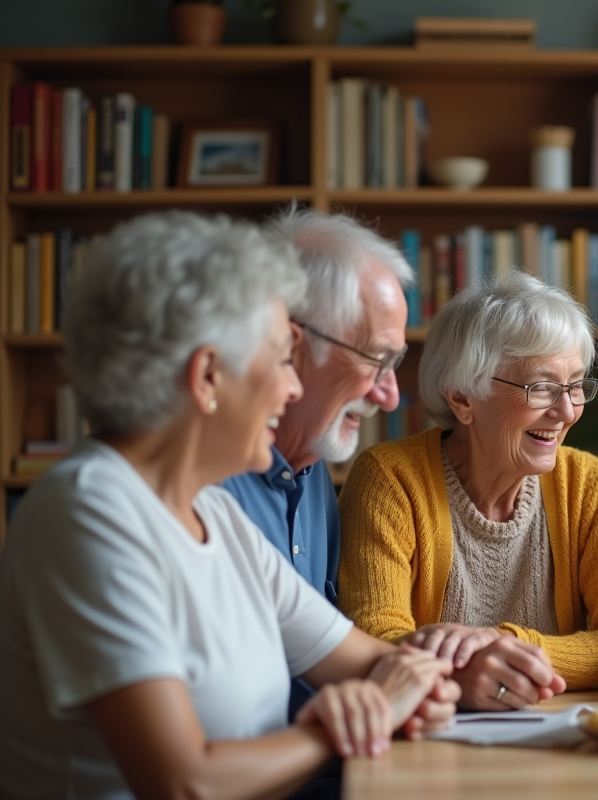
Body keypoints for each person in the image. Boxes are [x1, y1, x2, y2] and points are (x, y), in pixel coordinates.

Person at [0, 212, 459, 800]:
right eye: (277, 359)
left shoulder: (211, 517)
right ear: (208, 376)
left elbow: (371, 664)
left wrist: (422, 676)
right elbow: (184, 781)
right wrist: (344, 725)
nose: (290, 387)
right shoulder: (89, 513)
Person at [338, 271, 598, 710]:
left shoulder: (585, 483)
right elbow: (372, 637)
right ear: (463, 399)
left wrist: (503, 646)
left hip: (558, 738)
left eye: (576, 385)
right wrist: (468, 675)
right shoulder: (390, 480)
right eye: (542, 388)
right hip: (423, 742)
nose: (566, 411)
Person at [222, 206, 414, 719]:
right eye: (377, 358)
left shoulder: (313, 476)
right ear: (291, 341)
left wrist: (447, 666)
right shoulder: (199, 490)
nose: (390, 395)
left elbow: (330, 650)